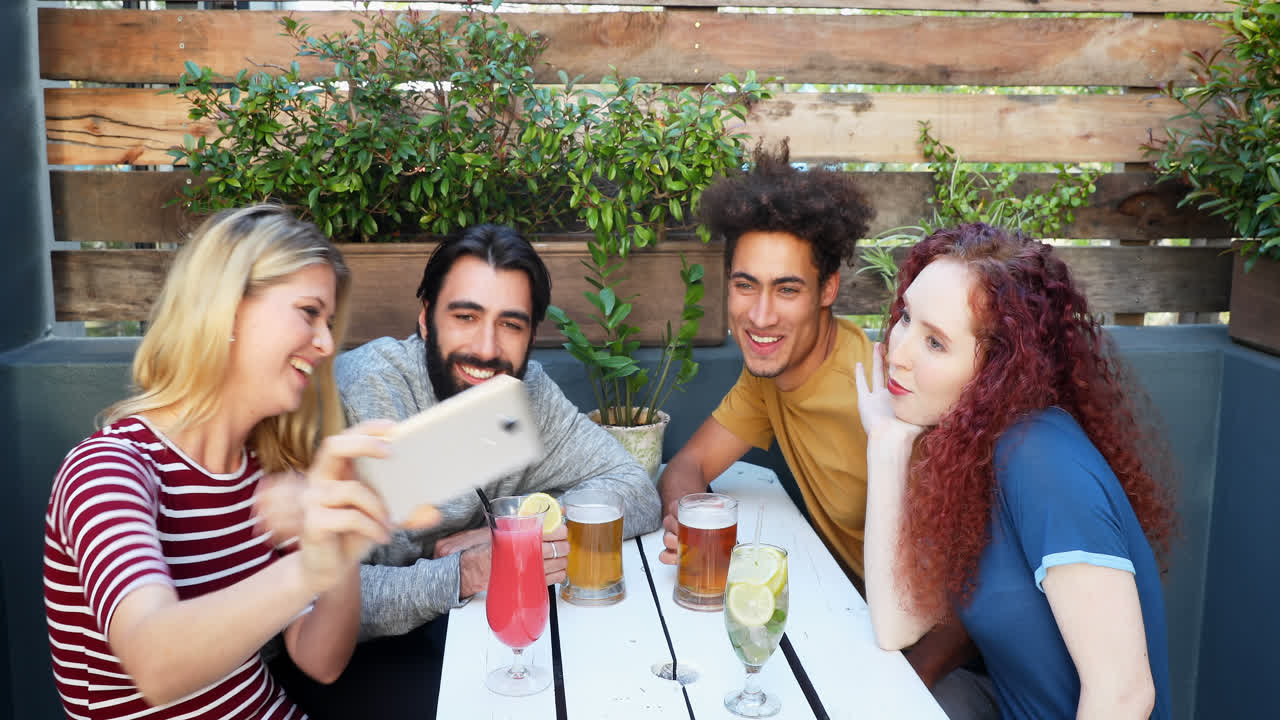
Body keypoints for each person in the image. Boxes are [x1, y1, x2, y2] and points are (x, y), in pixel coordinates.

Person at [42, 205, 423, 719]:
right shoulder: (109, 469)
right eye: (309, 313)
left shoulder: (264, 473)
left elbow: (322, 660)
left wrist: (339, 547)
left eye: (328, 322)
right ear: (226, 310)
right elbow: (156, 663)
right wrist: (313, 566)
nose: (327, 343)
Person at [656, 142, 995, 718]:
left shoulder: (891, 394)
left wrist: (885, 686)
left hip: (948, 666)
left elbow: (974, 598)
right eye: (745, 285)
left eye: (787, 289)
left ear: (828, 290)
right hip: (849, 621)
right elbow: (687, 466)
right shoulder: (769, 376)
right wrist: (690, 524)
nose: (760, 316)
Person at [854, 223, 1176, 718]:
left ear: (997, 371)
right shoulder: (973, 453)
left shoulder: (1041, 462)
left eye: (935, 343)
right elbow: (898, 625)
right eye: (906, 319)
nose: (897, 353)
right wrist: (886, 442)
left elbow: (1124, 696)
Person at [334, 223, 662, 639]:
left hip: (488, 629)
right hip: (374, 656)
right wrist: (467, 572)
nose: (487, 349)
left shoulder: (528, 393)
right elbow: (312, 597)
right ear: (425, 318)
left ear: (531, 337)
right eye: (466, 317)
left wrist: (510, 532)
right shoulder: (362, 392)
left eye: (510, 324)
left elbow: (634, 489)